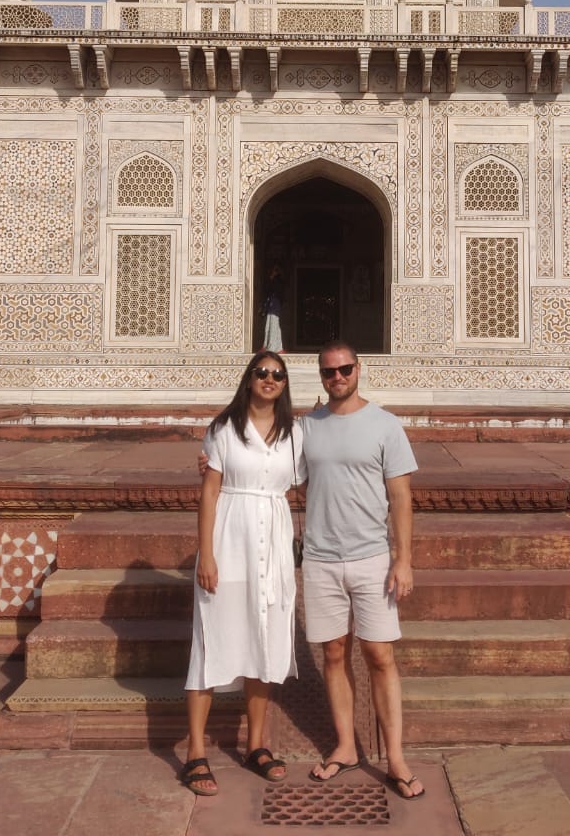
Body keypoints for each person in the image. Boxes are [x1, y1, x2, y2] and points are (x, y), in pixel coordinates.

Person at [301, 341, 424, 801]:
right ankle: (346, 746)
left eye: (345, 369)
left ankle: (394, 757)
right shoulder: (307, 427)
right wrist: (214, 467)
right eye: (329, 371)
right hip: (321, 558)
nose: (337, 377)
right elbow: (274, 471)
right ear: (321, 375)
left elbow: (401, 498)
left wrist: (403, 558)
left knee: (379, 655)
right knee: (334, 653)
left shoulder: (385, 426)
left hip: (372, 556)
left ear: (359, 369)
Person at [179, 350, 305, 797]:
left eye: (278, 375)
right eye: (262, 373)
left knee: (264, 642)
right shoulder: (224, 430)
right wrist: (207, 555)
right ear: (249, 379)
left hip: (272, 546)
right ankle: (196, 751)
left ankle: (256, 745)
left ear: (285, 384)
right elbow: (209, 494)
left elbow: (314, 479)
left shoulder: (295, 434)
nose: (270, 379)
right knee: (212, 642)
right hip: (229, 542)